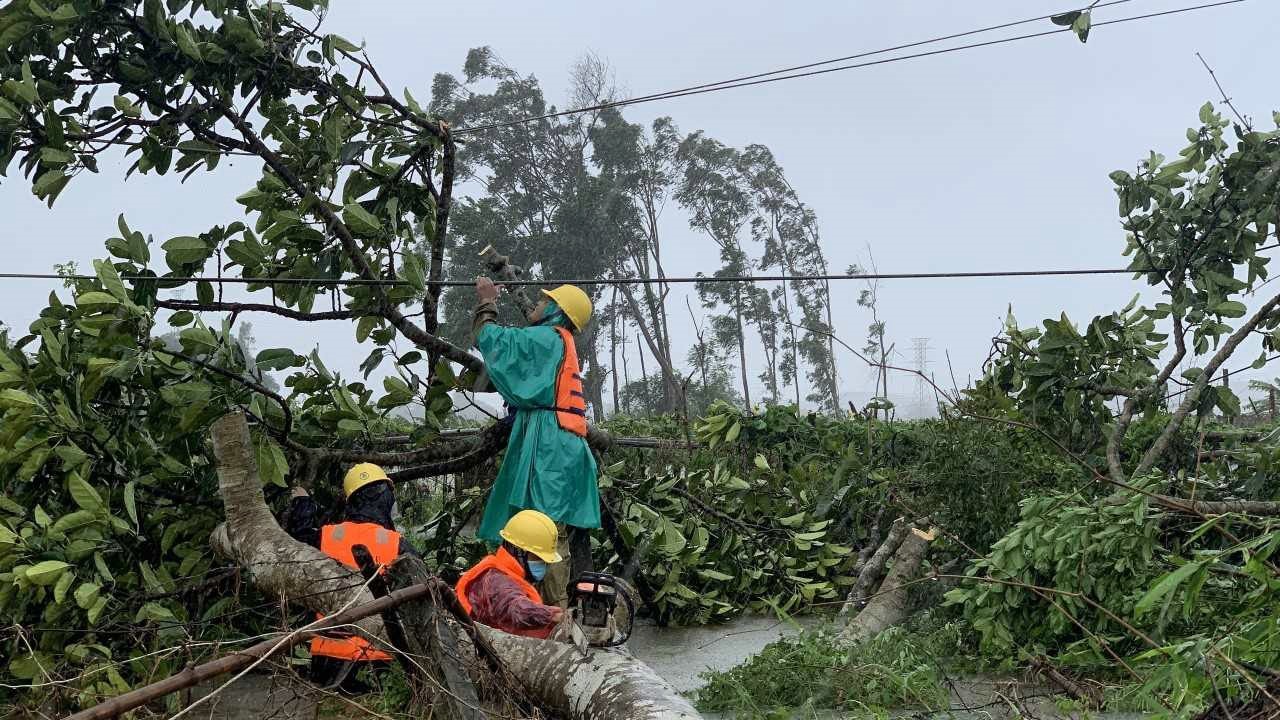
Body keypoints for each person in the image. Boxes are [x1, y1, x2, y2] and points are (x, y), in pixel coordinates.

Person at [471, 278, 601, 606]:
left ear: (558, 311)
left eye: (545, 302)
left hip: (550, 445)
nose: (538, 306)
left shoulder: (548, 338)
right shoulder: (561, 341)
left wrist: (487, 302)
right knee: (556, 530)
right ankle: (559, 604)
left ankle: (553, 612)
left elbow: (494, 340)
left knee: (547, 531)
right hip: (562, 443)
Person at [285, 463, 415, 692]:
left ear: (350, 500)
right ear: (386, 498)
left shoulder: (326, 535)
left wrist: (303, 503)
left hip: (327, 661)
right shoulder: (397, 544)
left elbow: (295, 543)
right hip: (377, 661)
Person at [454, 509, 566, 639]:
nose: (543, 564)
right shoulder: (496, 581)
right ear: (519, 551)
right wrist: (553, 615)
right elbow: (516, 609)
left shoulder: (509, 574)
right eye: (538, 557)